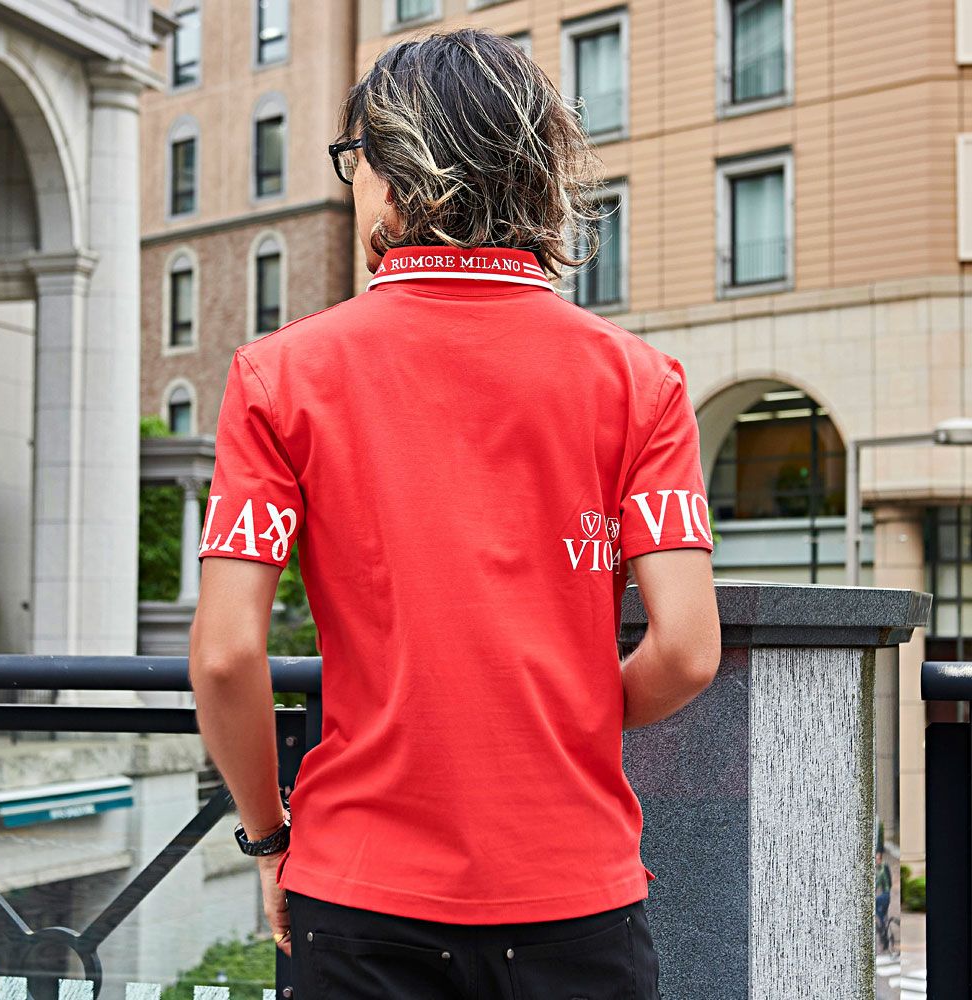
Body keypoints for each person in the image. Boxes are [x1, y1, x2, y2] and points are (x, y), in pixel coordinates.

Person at [188, 26, 721, 1000]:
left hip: (361, 892)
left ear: (396, 174)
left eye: (355, 159)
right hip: (575, 890)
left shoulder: (279, 375)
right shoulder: (640, 380)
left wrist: (267, 836)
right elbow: (687, 650)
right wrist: (563, 716)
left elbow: (225, 655)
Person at [875, 849, 891, 927]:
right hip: (887, 894)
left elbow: (878, 881)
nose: (876, 861)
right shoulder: (883, 867)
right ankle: (884, 927)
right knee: (883, 913)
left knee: (874, 904)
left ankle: (882, 924)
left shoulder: (882, 868)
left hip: (885, 895)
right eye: (875, 859)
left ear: (880, 859)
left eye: (877, 859)